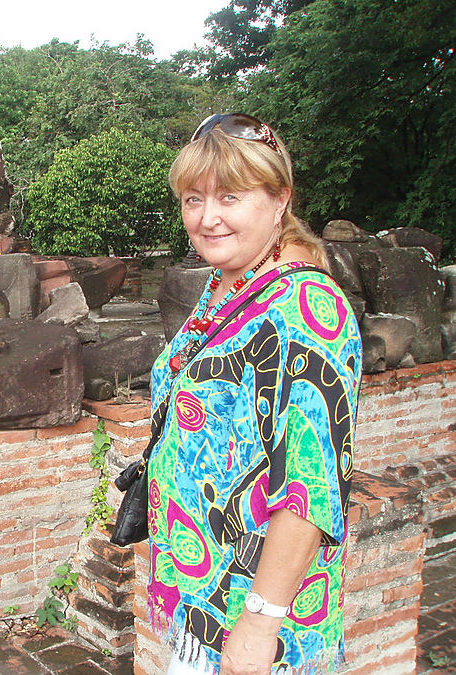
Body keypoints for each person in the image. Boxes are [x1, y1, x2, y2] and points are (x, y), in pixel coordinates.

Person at [146, 113, 362, 674]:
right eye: (194, 199)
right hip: (200, 594)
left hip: (250, 618)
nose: (207, 218)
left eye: (230, 197)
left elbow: (311, 491)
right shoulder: (232, 280)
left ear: (280, 198)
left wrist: (259, 626)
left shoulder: (305, 313)